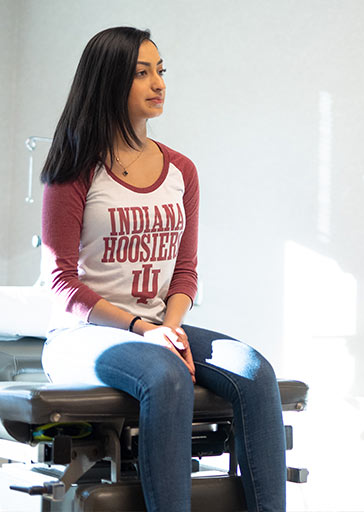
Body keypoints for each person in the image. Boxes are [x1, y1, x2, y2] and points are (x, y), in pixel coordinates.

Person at [39, 27, 286, 512]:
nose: (159, 84)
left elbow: (186, 271)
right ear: (109, 82)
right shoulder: (75, 168)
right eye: (142, 73)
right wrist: (144, 331)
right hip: (83, 334)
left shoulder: (181, 171)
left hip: (158, 327)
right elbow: (61, 282)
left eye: (161, 71)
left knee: (257, 373)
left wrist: (168, 329)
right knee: (167, 376)